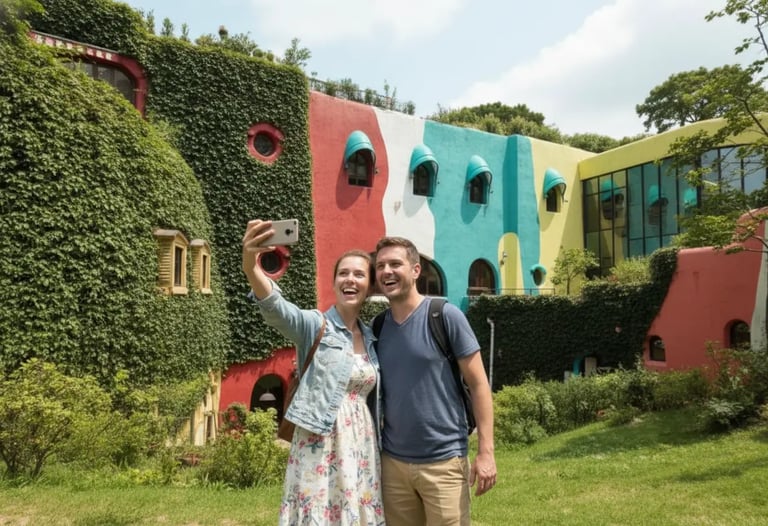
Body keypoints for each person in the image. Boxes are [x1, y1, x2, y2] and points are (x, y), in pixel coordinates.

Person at [242, 219, 386, 526]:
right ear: (333, 283)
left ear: (370, 285)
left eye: (359, 274)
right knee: (317, 511)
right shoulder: (314, 324)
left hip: (360, 442)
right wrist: (250, 266)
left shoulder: (373, 336)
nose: (350, 279)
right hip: (319, 439)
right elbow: (277, 308)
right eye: (343, 273)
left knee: (355, 511)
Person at [373, 236, 497, 526]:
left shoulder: (445, 316)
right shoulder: (378, 326)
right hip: (393, 465)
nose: (387, 271)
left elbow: (479, 385)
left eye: (395, 264)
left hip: (444, 463)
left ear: (416, 270)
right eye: (380, 266)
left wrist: (486, 452)